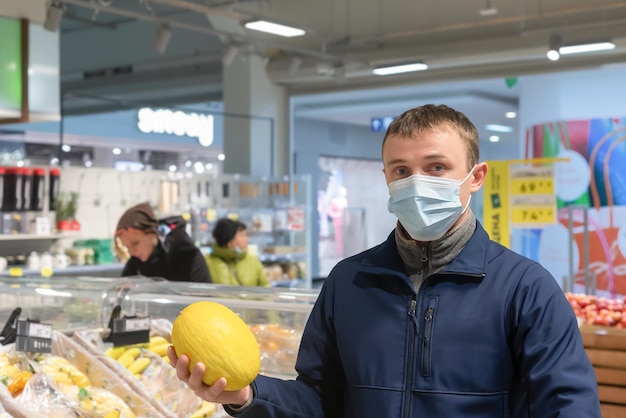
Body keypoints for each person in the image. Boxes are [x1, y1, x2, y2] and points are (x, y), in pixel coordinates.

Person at [168, 104, 601, 417]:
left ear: (476, 177)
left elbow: (569, 406)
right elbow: (321, 399)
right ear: (387, 179)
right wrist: (247, 396)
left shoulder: (525, 288)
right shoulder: (349, 282)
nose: (417, 183)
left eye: (436, 168)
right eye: (401, 170)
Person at [115, 202, 211, 282]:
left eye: (135, 243)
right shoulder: (135, 264)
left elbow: (206, 297)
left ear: (152, 234)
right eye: (127, 247)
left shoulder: (187, 255)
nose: (131, 252)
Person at [205, 218, 269, 286]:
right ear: (228, 239)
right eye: (242, 235)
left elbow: (265, 289)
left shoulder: (253, 261)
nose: (247, 239)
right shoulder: (206, 262)